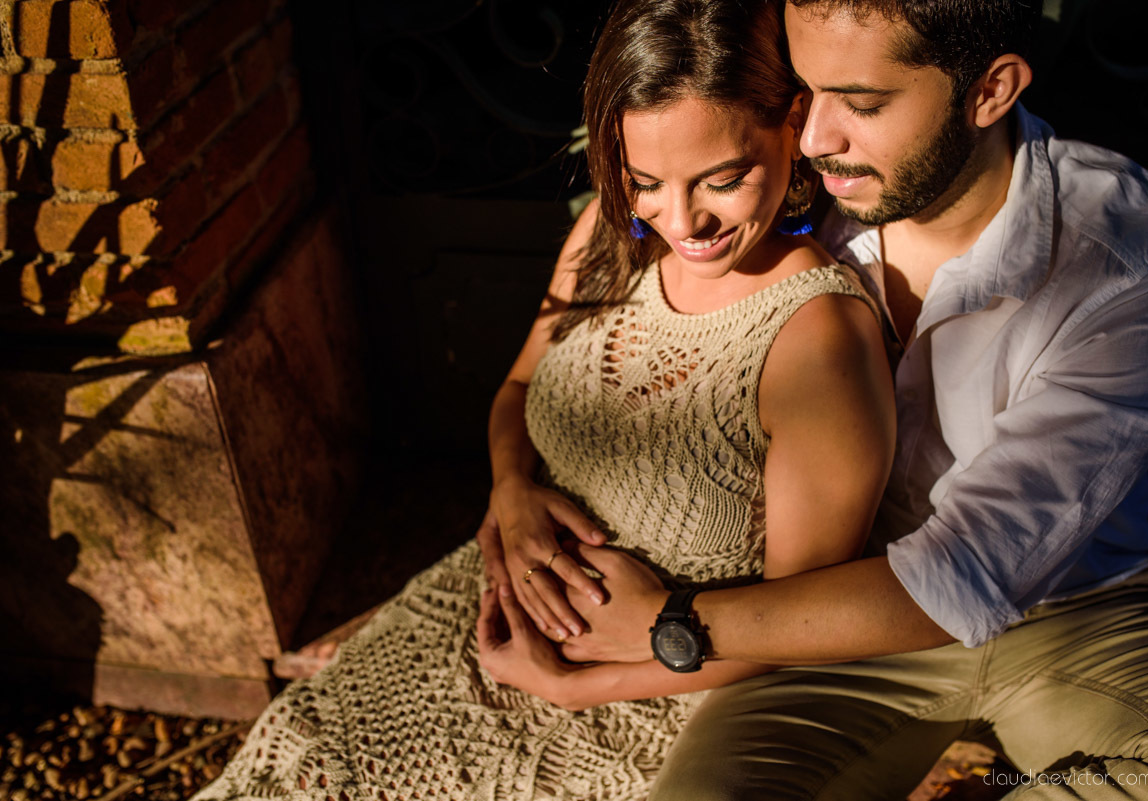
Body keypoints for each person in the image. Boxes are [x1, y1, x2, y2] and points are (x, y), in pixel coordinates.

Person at [480, 0, 1148, 797]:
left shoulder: (1134, 260)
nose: (814, 135)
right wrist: (518, 488)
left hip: (1076, 609)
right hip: (828, 620)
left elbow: (968, 569)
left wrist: (673, 622)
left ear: (990, 90)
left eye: (861, 103)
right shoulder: (774, 181)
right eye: (806, 91)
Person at [192, 1, 894, 799]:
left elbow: (796, 628)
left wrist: (573, 685)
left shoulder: (817, 338)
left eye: (723, 179)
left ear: (792, 123)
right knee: (290, 750)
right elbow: (520, 386)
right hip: (484, 598)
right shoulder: (610, 236)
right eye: (646, 182)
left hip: (651, 690)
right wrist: (511, 493)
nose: (683, 221)